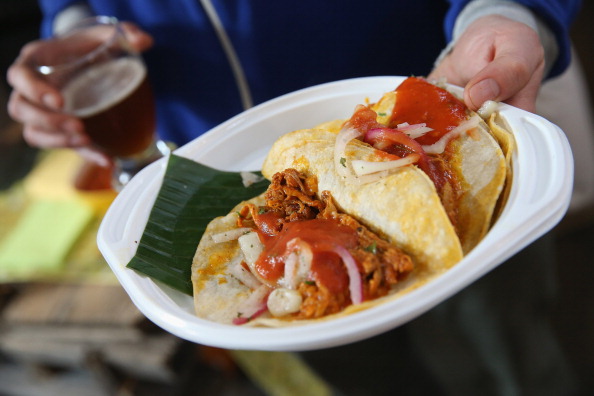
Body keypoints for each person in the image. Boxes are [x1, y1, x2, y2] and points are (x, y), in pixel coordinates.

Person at [5, 1, 583, 394]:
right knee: (365, 378)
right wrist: (74, 26)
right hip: (223, 164)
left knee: (507, 360)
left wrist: (504, 12)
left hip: (425, 80)